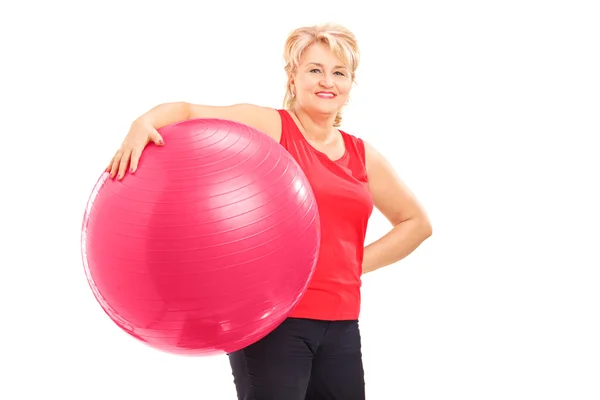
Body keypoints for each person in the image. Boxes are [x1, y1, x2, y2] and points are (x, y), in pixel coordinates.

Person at [106, 23, 432, 400]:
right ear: (293, 78)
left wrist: (349, 264)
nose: (327, 81)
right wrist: (141, 123)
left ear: (350, 85)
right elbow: (188, 110)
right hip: (273, 323)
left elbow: (416, 224)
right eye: (315, 69)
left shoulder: (361, 154)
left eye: (339, 73)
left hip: (342, 324)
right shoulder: (274, 126)